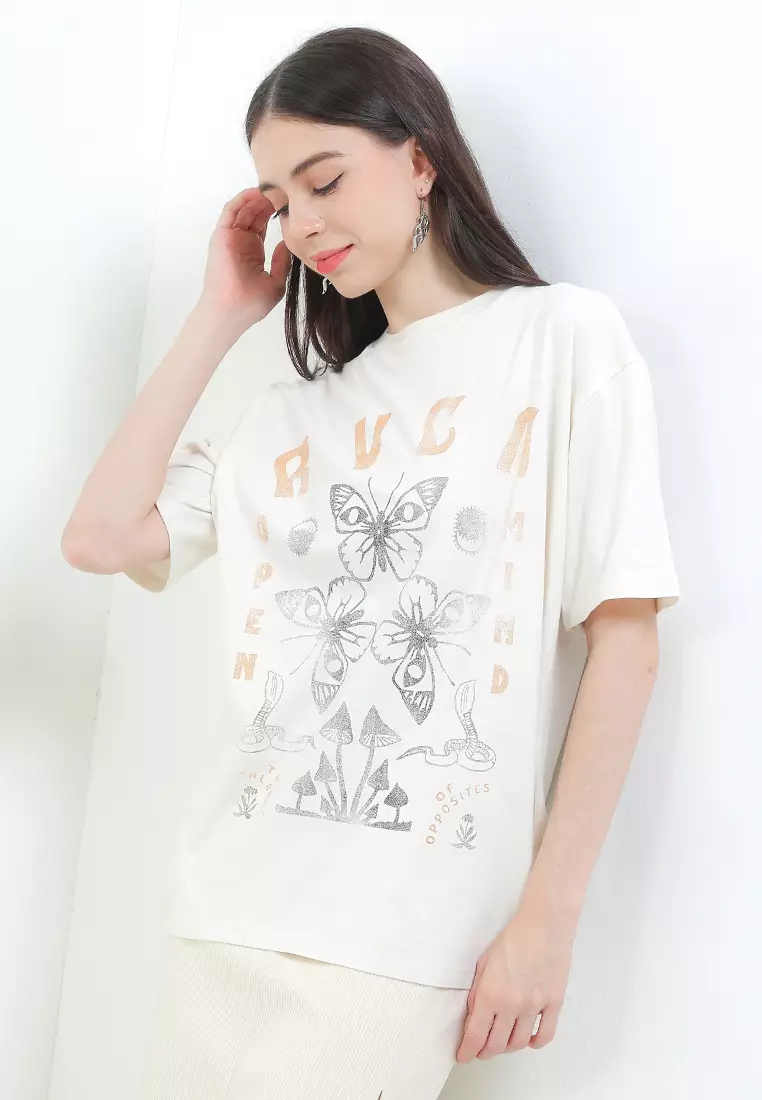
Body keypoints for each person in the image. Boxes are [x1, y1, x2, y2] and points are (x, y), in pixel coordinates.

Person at [61, 25, 680, 1100]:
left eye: (325, 180)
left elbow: (626, 638)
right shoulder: (290, 418)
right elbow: (100, 537)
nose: (302, 223)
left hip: (399, 938)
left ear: (421, 159)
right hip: (225, 913)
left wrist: (547, 918)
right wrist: (219, 315)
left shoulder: (561, 341)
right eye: (278, 200)